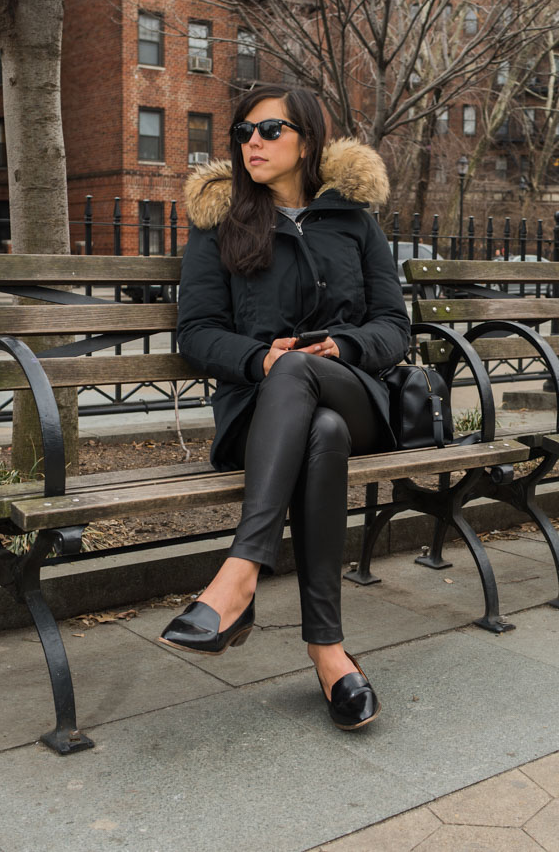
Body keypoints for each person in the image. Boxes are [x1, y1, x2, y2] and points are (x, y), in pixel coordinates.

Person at [160, 84, 409, 730]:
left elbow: (394, 327)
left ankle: (240, 576)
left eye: (269, 131)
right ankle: (328, 651)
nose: (252, 143)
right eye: (242, 132)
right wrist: (257, 359)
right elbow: (197, 332)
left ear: (306, 140)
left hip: (353, 393)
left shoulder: (353, 221)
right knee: (319, 428)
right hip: (259, 415)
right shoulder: (220, 224)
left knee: (309, 381)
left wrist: (344, 346)